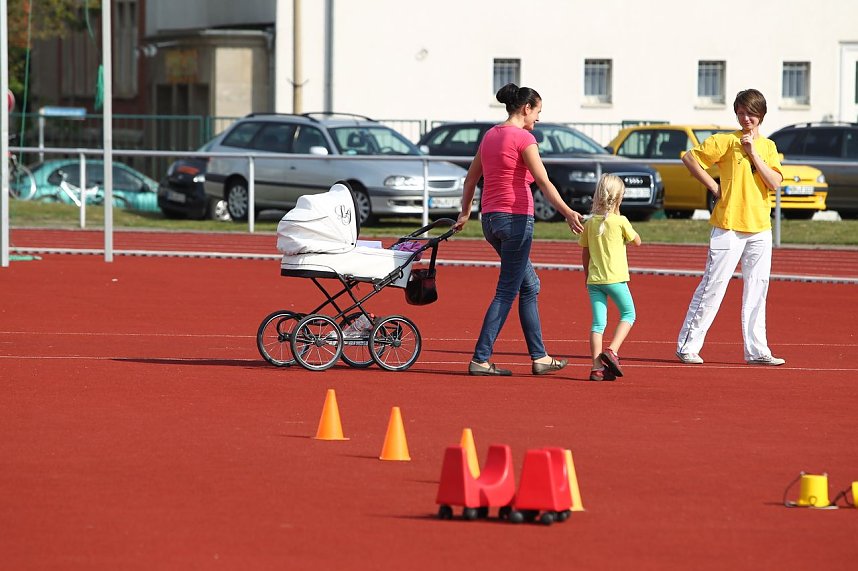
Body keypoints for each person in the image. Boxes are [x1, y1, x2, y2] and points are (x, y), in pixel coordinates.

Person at [455, 83, 584, 376]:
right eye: (537, 112)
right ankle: (481, 358)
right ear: (526, 108)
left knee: (529, 285)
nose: (537, 118)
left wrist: (464, 214)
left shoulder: (490, 135)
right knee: (506, 290)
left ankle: (540, 357)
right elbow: (544, 182)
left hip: (490, 220)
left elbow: (470, 180)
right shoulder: (524, 138)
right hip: (515, 220)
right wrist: (566, 212)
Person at [676, 88, 786, 366]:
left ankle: (757, 350)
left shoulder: (768, 147)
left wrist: (753, 154)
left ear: (761, 115)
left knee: (758, 288)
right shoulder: (725, 141)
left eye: (750, 113)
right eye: (741, 112)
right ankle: (688, 345)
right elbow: (690, 158)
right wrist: (713, 186)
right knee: (713, 285)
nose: (745, 118)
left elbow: (774, 183)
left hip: (760, 226)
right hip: (728, 225)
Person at [580, 174, 641, 381]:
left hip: (595, 281)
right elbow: (637, 241)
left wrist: (587, 275)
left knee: (598, 324)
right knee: (629, 314)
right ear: (619, 198)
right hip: (615, 279)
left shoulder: (590, 224)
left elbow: (585, 253)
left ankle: (596, 367)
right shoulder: (620, 221)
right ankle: (613, 350)